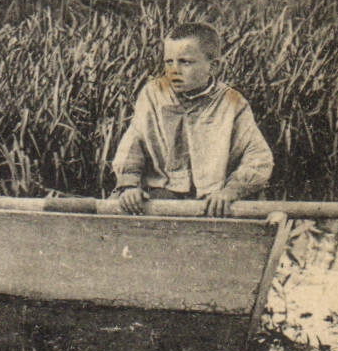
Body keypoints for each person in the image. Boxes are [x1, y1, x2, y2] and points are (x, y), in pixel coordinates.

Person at [110, 22, 273, 216]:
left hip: (213, 200)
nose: (174, 70)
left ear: (213, 66)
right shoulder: (153, 94)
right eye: (168, 62)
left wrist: (230, 191)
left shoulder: (232, 102)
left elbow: (258, 157)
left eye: (185, 62)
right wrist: (129, 186)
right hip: (161, 195)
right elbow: (133, 144)